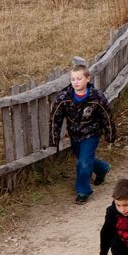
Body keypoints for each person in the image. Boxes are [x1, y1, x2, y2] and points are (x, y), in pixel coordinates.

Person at [49, 63, 114, 204]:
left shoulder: (96, 97)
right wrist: (54, 138)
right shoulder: (64, 97)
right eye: (73, 79)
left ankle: (83, 191)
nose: (76, 82)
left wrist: (110, 134)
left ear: (87, 79)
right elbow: (55, 118)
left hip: (92, 134)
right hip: (74, 135)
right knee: (85, 159)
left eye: (79, 79)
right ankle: (102, 168)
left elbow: (106, 115)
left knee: (83, 163)